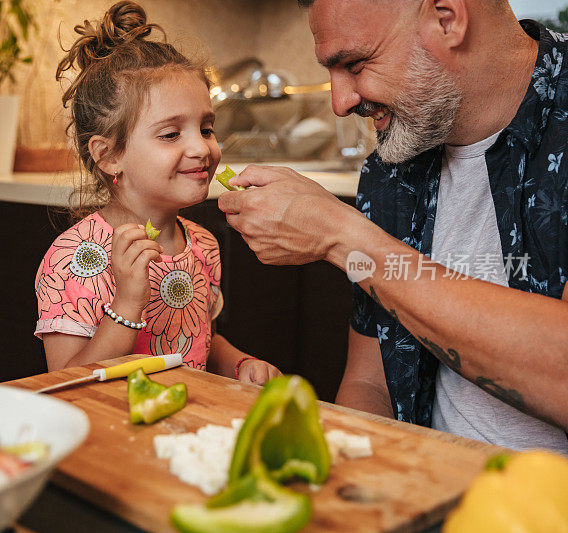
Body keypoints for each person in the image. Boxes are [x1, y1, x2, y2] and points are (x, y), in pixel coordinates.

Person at [218, 0, 568, 452]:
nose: (340, 103)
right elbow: (372, 385)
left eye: (356, 64)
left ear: (447, 19)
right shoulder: (392, 166)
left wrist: (344, 237)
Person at [35, 1, 281, 385]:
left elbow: (197, 342)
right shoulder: (73, 259)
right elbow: (66, 382)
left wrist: (238, 363)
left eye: (206, 128)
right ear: (109, 155)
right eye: (171, 134)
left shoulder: (202, 244)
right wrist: (128, 302)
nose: (202, 149)